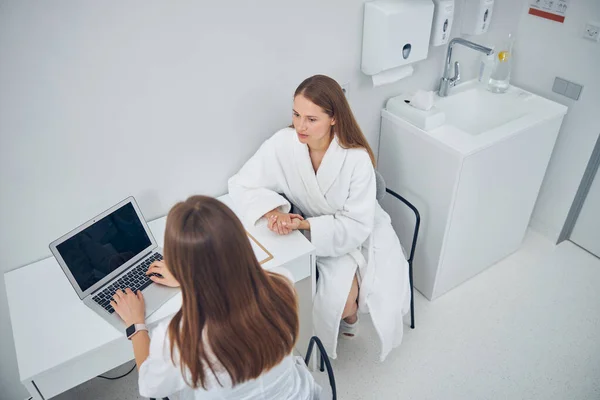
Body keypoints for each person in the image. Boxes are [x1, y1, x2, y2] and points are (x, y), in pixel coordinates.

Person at [228, 74, 411, 361]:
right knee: (286, 290)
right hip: (307, 229)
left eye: (311, 119)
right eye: (296, 114)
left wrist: (305, 224)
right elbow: (241, 183)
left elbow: (355, 224)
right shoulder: (283, 144)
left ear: (334, 118)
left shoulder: (356, 160)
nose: (300, 125)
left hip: (350, 234)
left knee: (341, 305)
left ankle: (350, 318)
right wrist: (273, 210)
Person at [111, 195, 321, 399]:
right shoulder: (282, 283)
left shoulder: (181, 338)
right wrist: (189, 278)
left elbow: (150, 387)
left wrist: (136, 326)